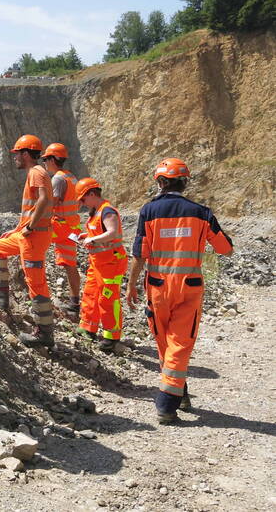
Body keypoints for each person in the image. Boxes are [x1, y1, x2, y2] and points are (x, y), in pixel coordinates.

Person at [125, 158, 234, 424]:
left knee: (166, 342)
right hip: (189, 286)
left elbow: (140, 254)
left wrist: (130, 284)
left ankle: (175, 395)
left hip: (158, 287)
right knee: (180, 342)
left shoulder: (148, 211)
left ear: (161, 182)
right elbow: (225, 248)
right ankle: (168, 403)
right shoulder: (201, 212)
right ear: (184, 182)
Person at [0, 135, 55, 348]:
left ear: (26, 154)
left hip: (34, 237)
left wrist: (30, 227)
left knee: (36, 283)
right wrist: (17, 229)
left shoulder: (36, 171)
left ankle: (44, 332)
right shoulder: (35, 172)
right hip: (28, 235)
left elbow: (44, 199)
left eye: (17, 154)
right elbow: (32, 208)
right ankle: (2, 298)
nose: (15, 157)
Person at [73, 177, 127, 353]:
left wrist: (92, 239)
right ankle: (88, 328)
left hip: (111, 262)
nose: (82, 203)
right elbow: (98, 232)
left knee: (108, 299)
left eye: (83, 199)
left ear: (91, 193)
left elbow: (112, 233)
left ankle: (112, 338)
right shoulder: (96, 212)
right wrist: (85, 236)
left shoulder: (107, 211)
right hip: (98, 263)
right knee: (91, 294)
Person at [41, 143, 82, 315]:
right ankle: (74, 302)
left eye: (45, 159)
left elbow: (52, 203)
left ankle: (39, 295)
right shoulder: (71, 177)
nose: (44, 162)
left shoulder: (57, 179)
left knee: (32, 249)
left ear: (52, 159)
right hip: (72, 227)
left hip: (60, 226)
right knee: (70, 265)